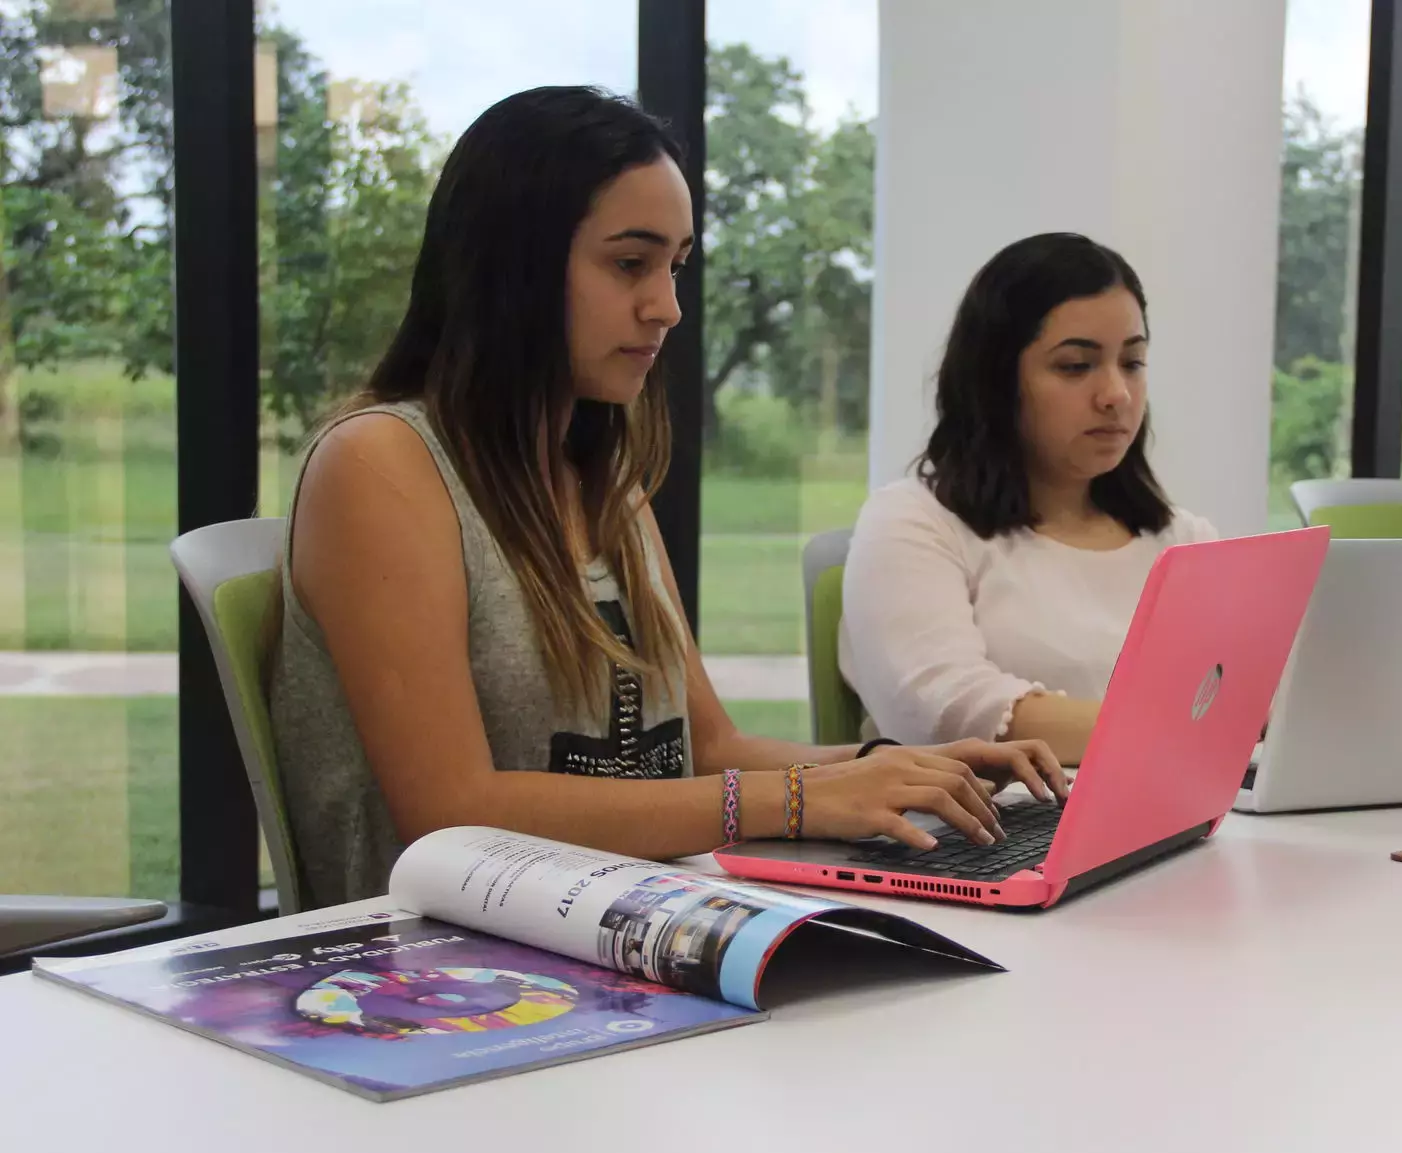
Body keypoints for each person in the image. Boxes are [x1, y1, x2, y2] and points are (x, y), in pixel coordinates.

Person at [271, 87, 1066, 908]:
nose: (668, 307)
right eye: (629, 263)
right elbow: (451, 811)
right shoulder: (379, 464)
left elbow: (706, 745)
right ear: (513, 265)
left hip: (617, 924)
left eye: (675, 267)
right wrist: (790, 801)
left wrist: (892, 770)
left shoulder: (602, 478)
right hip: (441, 977)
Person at [838, 232, 1218, 765]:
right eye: (1075, 366)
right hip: (973, 835)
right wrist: (1184, 723)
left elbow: (1250, 701)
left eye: (1131, 363)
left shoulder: (1185, 540)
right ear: (995, 381)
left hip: (1171, 821)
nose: (1116, 394)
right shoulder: (915, 522)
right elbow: (946, 712)